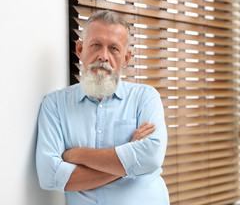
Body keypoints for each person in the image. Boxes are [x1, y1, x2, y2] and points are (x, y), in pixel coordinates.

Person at [36, 10, 169, 205]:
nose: (104, 56)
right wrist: (127, 158)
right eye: (96, 45)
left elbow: (151, 158)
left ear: (126, 58)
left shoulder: (146, 98)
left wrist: (77, 155)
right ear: (80, 49)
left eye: (114, 48)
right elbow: (50, 176)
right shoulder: (54, 105)